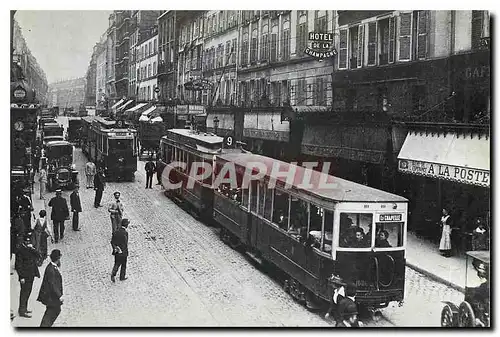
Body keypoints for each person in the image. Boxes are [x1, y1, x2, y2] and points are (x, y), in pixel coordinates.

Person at [15, 234, 41, 318]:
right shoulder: (20, 250)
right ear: (24, 242)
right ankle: (22, 311)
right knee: (24, 293)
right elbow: (18, 265)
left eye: (29, 241)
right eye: (26, 241)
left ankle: (24, 308)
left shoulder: (30, 249)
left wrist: (33, 248)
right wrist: (21, 277)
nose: (28, 242)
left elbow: (38, 255)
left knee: (28, 292)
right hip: (25, 276)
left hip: (31, 274)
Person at [37, 249, 63, 327]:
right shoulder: (51, 269)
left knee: (53, 311)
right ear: (58, 259)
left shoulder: (52, 267)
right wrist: (59, 295)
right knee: (54, 310)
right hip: (51, 296)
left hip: (51, 296)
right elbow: (52, 284)